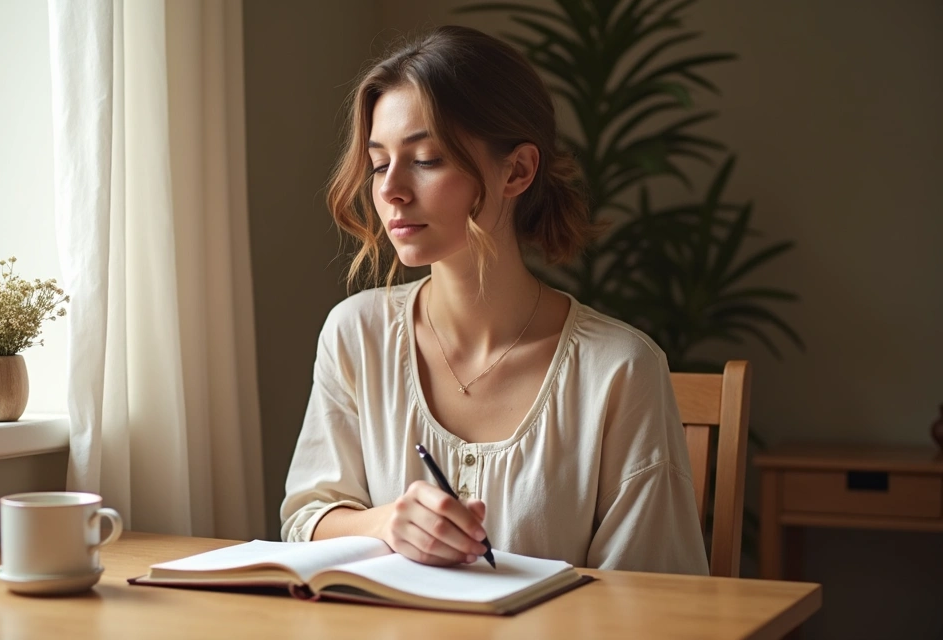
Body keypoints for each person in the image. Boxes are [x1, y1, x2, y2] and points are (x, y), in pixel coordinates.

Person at [279, 25, 708, 575]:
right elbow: (306, 517)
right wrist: (385, 524)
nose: (389, 190)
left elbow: (650, 593)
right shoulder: (356, 333)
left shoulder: (620, 371)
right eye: (380, 163)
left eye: (426, 159)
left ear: (518, 170)